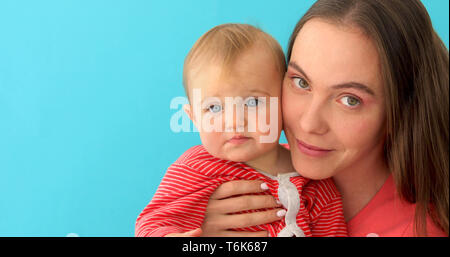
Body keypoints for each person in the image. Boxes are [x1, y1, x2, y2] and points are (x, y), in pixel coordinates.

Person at [199, 0, 449, 237]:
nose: (308, 124)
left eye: (350, 100)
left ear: (401, 110)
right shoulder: (237, 170)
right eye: (301, 82)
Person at [135, 23, 348, 237]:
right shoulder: (196, 168)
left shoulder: (313, 180)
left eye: (253, 102)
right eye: (214, 108)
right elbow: (152, 224)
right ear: (194, 118)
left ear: (283, 102)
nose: (235, 122)